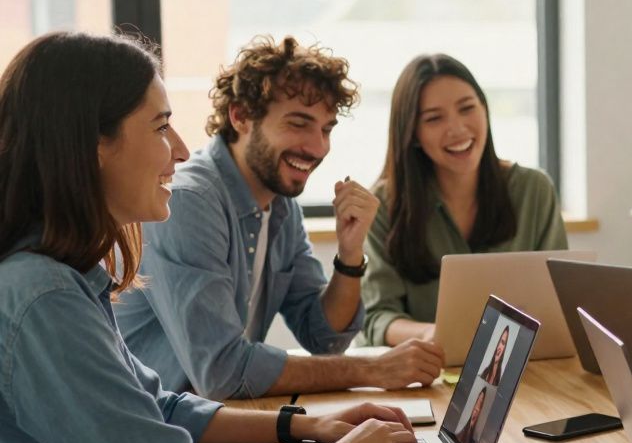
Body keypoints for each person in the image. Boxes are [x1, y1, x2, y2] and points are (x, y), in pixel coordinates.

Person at [0, 32, 423, 443]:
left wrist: (308, 425)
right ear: (91, 143)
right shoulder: (44, 296)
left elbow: (163, 406)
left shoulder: (65, 274)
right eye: (159, 126)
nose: (178, 147)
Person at [115, 36, 444, 400]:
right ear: (240, 116)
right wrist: (372, 369)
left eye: (326, 129)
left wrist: (350, 256)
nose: (318, 147)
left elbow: (324, 337)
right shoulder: (189, 202)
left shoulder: (280, 205)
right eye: (299, 123)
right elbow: (222, 371)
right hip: (156, 429)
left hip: (214, 421)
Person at [358, 54, 567, 347]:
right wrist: (432, 335)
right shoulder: (383, 204)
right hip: (420, 374)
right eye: (434, 118)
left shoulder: (534, 190)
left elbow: (555, 306)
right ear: (413, 134)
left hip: (516, 370)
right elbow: (377, 317)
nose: (457, 129)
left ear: (485, 110)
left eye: (467, 108)